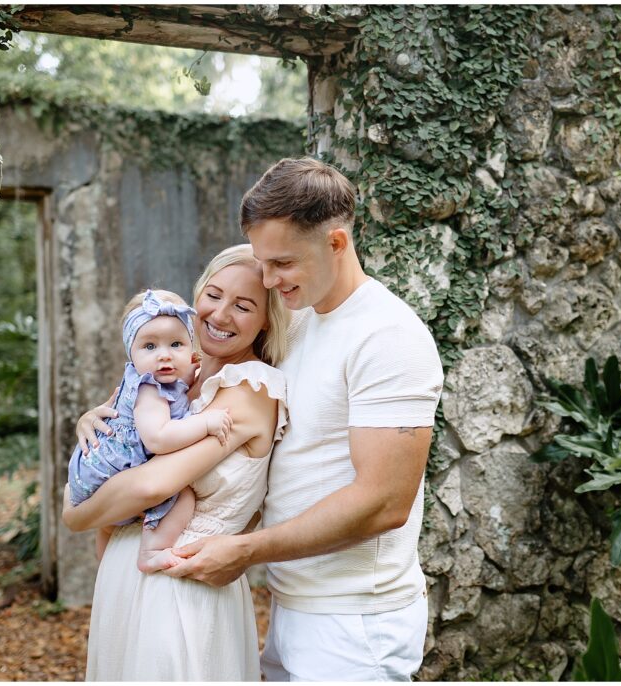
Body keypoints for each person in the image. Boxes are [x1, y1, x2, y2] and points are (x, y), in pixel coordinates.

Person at [78, 158, 443, 680]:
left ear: (336, 243)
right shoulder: (297, 327)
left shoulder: (387, 336)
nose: (269, 279)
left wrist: (244, 552)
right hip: (291, 604)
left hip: (354, 618)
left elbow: (384, 502)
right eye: (263, 263)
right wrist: (106, 421)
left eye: (283, 263)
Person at [62, 244, 290, 680]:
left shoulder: (252, 388)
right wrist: (91, 422)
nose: (220, 315)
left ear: (266, 320)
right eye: (213, 294)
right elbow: (111, 451)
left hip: (182, 582)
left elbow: (151, 485)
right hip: (124, 573)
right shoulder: (170, 370)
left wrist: (75, 518)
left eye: (243, 306)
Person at [65, 288, 233, 572]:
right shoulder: (149, 390)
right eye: (150, 347)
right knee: (184, 496)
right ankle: (151, 551)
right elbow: (158, 439)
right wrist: (205, 423)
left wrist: (190, 373)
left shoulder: (165, 381)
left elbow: (180, 387)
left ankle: (108, 569)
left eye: (176, 344)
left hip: (93, 475)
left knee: (107, 528)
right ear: (131, 353)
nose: (164, 356)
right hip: (108, 472)